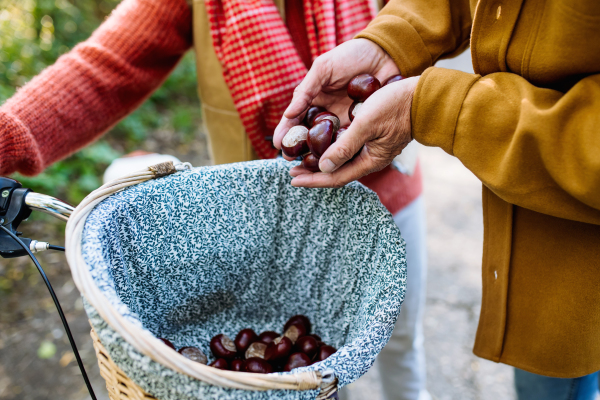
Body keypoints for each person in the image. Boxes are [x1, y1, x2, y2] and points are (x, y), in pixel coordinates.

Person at [0, 0, 431, 399]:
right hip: (257, 213)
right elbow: (106, 66)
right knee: (318, 367)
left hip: (382, 197)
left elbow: (435, 22)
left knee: (398, 338)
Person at [273, 0, 600, 399]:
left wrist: (436, 107)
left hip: (581, 273)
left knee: (559, 378)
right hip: (540, 247)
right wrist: (391, 41)